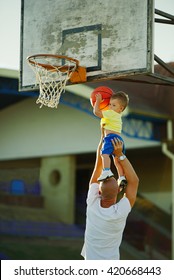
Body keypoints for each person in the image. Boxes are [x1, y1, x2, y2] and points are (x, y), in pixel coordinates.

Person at [81, 127, 139, 260]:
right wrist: (120, 155)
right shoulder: (118, 212)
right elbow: (134, 181)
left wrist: (103, 138)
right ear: (119, 189)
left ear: (99, 192)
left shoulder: (93, 203)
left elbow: (98, 166)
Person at [93, 91, 129, 187]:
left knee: (104, 154)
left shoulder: (111, 113)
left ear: (120, 108)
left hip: (110, 138)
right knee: (117, 161)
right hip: (119, 139)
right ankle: (121, 177)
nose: (110, 107)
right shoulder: (117, 116)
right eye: (109, 104)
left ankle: (106, 171)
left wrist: (98, 101)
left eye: (113, 105)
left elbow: (96, 112)